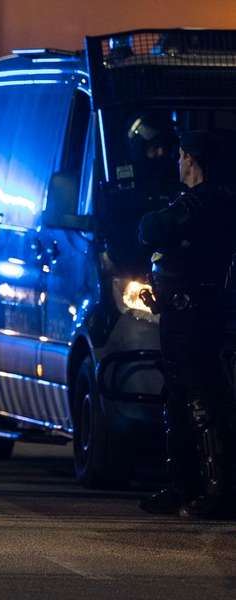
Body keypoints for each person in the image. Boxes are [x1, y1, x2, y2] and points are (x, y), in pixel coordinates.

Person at [139, 130, 236, 519]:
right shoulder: (203, 202)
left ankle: (217, 489)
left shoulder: (204, 203)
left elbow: (151, 228)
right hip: (183, 313)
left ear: (191, 160)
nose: (176, 164)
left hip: (196, 314)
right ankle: (184, 485)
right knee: (178, 398)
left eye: (180, 157)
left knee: (201, 399)